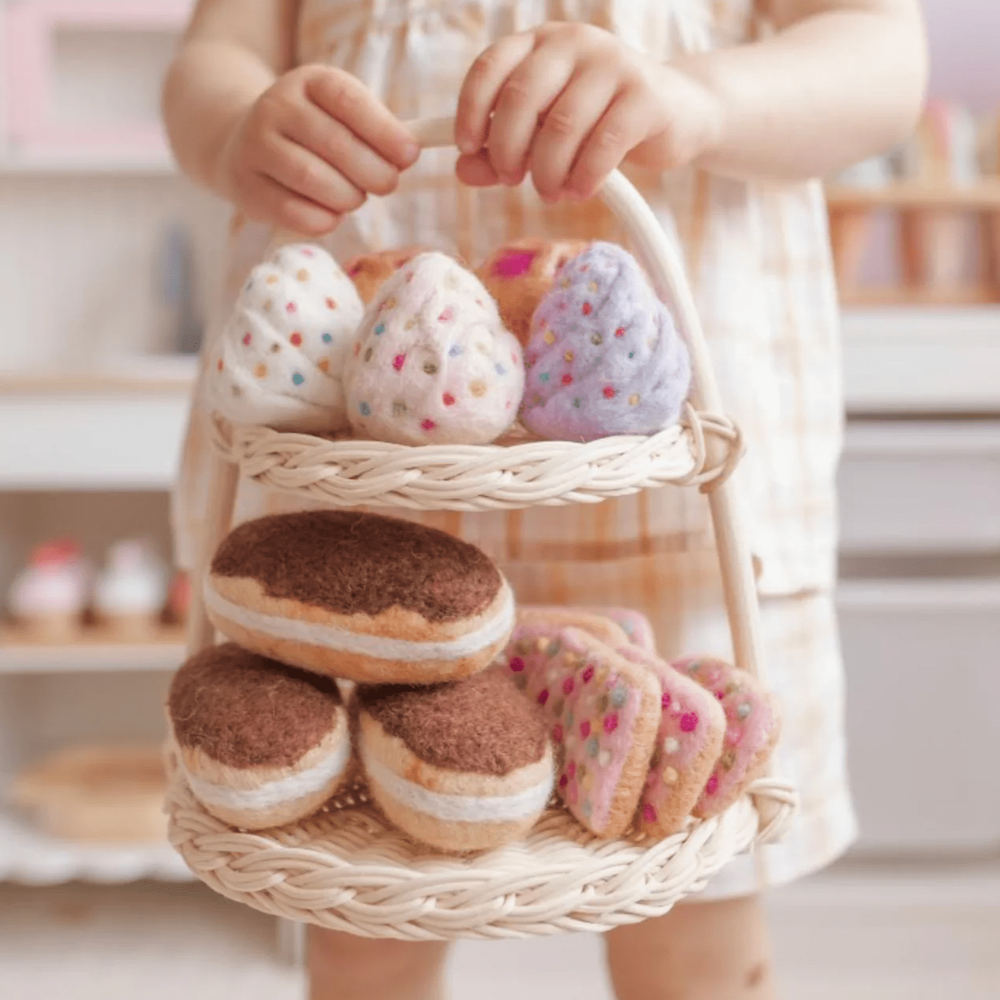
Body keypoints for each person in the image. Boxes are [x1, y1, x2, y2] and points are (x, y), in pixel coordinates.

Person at [163, 2, 927, 998]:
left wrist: (700, 100)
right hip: (353, 492)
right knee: (363, 924)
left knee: (691, 913)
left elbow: (880, 55)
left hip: (672, 502)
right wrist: (232, 127)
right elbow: (217, 51)